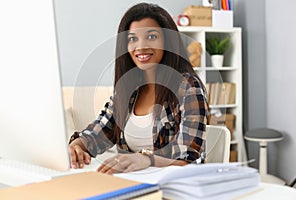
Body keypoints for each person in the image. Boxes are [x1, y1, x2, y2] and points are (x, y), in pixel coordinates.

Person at [69, 3, 209, 174]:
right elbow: (97, 135)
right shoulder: (127, 90)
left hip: (172, 188)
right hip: (131, 187)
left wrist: (147, 159)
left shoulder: (188, 88)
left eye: (151, 37)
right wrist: (77, 145)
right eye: (132, 39)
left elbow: (190, 162)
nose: (141, 46)